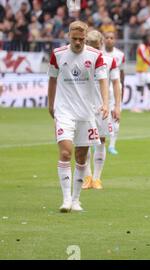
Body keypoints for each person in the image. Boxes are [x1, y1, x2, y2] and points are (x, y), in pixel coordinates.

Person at [47, 21, 108, 212]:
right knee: (66, 152)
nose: (78, 42)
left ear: (86, 37)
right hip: (64, 111)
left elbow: (103, 80)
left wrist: (105, 103)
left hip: (86, 113)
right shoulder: (57, 54)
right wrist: (50, 104)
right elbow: (52, 79)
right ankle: (65, 200)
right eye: (74, 39)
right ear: (68, 36)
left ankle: (75, 199)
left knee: (81, 157)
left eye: (81, 39)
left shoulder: (95, 55)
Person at [81, 30, 121, 190]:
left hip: (103, 106)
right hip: (84, 106)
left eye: (98, 46)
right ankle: (87, 177)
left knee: (101, 141)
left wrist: (117, 106)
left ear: (101, 45)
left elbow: (116, 83)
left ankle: (97, 178)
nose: (96, 50)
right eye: (92, 46)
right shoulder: (80, 59)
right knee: (84, 142)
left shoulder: (109, 61)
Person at [103, 31, 126, 155]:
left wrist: (122, 87)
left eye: (111, 38)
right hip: (102, 89)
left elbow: (122, 73)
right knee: (101, 117)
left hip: (115, 89)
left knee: (116, 118)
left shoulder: (120, 55)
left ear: (114, 40)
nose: (109, 40)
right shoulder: (99, 53)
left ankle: (112, 145)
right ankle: (98, 142)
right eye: (107, 37)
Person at [135, 34, 150, 112]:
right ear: (146, 39)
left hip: (145, 71)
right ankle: (135, 107)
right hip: (140, 71)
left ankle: (149, 105)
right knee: (140, 88)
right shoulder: (141, 47)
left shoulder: (148, 47)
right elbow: (144, 58)